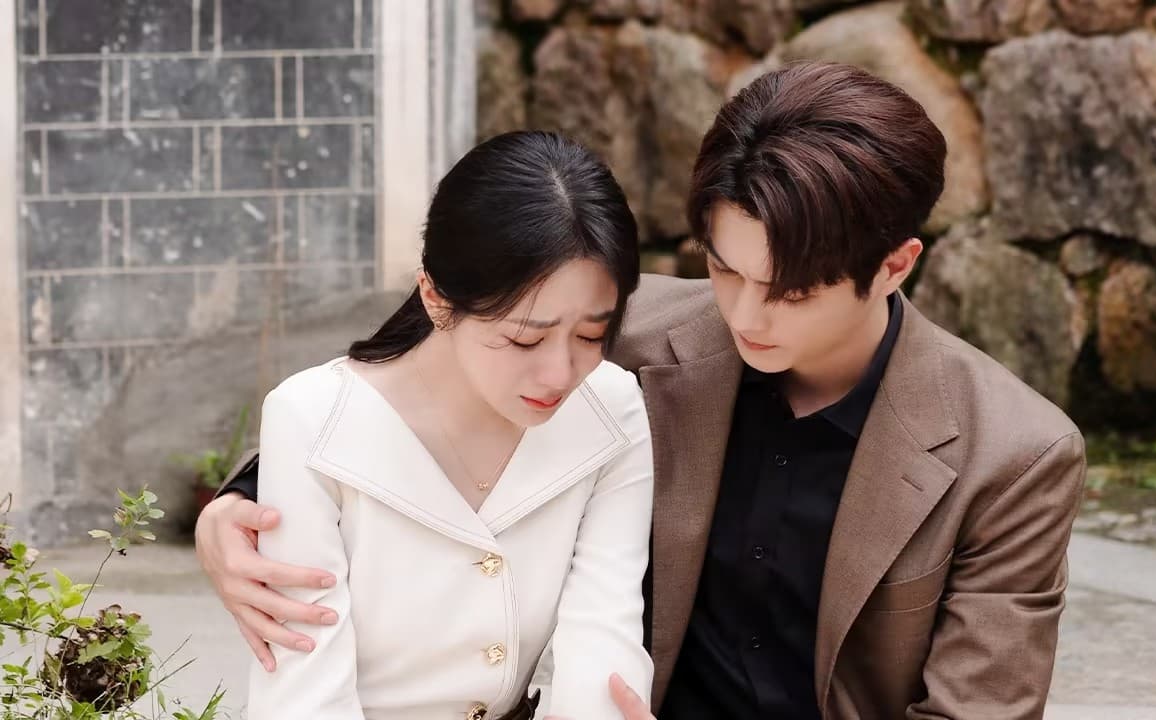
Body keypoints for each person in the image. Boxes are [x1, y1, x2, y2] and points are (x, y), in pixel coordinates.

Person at [200, 63, 1086, 719]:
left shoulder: (1012, 454)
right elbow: (430, 352)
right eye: (725, 269)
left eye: (792, 292)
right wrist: (244, 501)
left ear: (895, 266)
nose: (744, 316)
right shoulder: (617, 330)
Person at [238, 130, 654, 720]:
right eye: (524, 338)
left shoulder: (609, 406)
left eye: (592, 335)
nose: (561, 373)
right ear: (435, 297)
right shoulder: (312, 419)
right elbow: (304, 691)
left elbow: (604, 631)